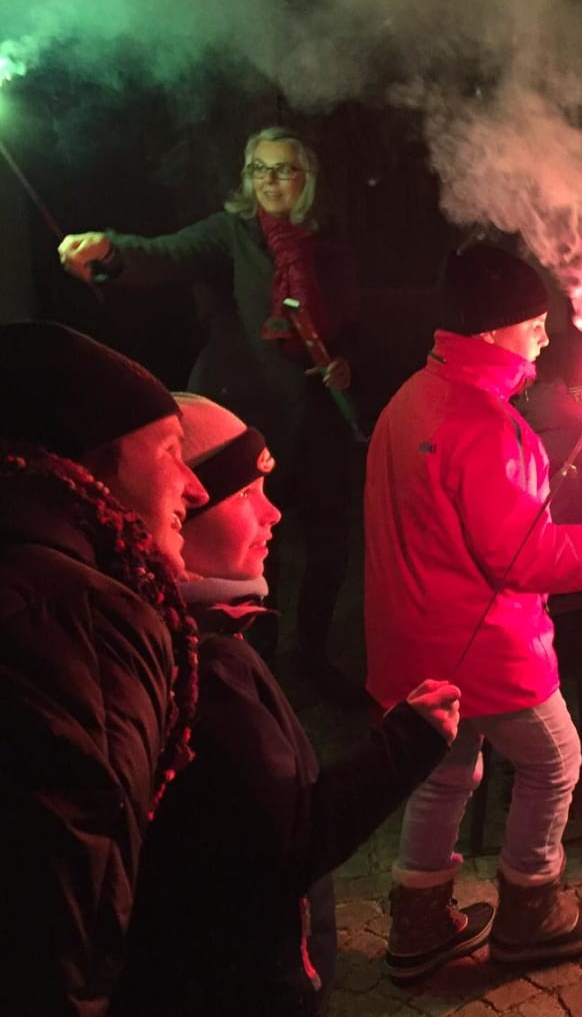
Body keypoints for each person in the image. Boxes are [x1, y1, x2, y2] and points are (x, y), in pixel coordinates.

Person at [365, 244, 582, 970]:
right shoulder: (486, 423)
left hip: (415, 641)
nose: (543, 336)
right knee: (555, 760)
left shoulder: (412, 396)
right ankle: (531, 909)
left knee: (444, 772)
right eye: (532, 323)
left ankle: (418, 922)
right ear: (493, 328)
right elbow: (528, 559)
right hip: (481, 646)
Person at [111, 394, 464, 1015]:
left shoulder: (183, 631)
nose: (273, 514)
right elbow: (292, 837)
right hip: (244, 987)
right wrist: (408, 741)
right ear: (179, 511)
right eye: (246, 494)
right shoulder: (203, 668)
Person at [57, 127, 357, 691]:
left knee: (329, 540)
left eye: (283, 169)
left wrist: (344, 360)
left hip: (315, 419)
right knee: (247, 547)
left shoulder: (328, 246)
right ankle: (253, 668)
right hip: (242, 413)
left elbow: (349, 324)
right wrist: (111, 250)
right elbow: (166, 254)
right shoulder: (229, 234)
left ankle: (311, 659)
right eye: (259, 169)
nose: (270, 180)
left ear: (307, 179)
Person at [0, 321, 208, 1015]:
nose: (195, 488)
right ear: (88, 465)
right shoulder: (80, 620)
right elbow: (67, 925)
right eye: (171, 451)